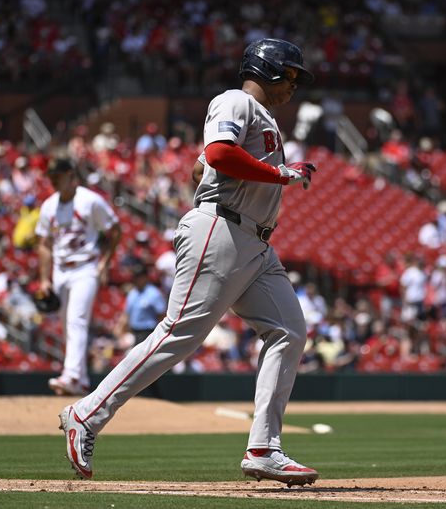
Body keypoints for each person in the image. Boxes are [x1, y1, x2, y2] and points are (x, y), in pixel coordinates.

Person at [57, 38, 319, 486]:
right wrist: (277, 172)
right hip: (222, 229)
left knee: (290, 332)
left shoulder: (259, 117)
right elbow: (217, 155)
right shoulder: (236, 99)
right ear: (269, 69)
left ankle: (263, 449)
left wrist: (261, 166)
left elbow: (201, 168)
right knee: (178, 334)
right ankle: (86, 413)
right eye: (291, 74)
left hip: (255, 242)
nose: (295, 84)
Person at [37, 158, 121, 396]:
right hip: (60, 270)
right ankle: (80, 380)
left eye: (58, 175)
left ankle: (71, 375)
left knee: (77, 320)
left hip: (86, 267)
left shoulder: (90, 200)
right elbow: (44, 244)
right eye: (51, 175)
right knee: (66, 324)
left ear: (70, 174)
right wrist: (44, 279)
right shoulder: (49, 206)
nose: (53, 179)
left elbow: (115, 231)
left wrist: (104, 263)